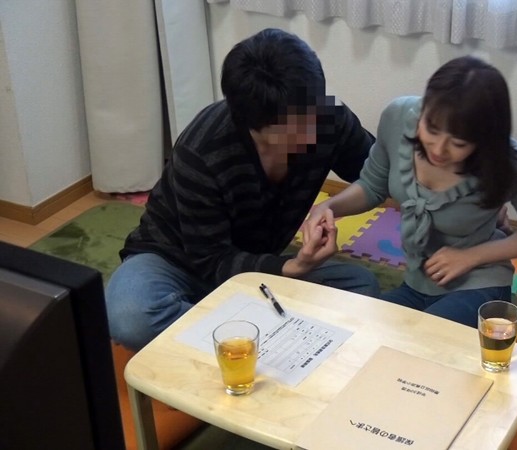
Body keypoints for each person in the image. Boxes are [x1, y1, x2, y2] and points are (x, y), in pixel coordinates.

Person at [305, 55, 517, 410]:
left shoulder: (506, 162)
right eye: (432, 128)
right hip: (416, 283)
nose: (438, 149)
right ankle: (493, 351)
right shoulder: (398, 117)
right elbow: (373, 185)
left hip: (478, 281)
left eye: (458, 142)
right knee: (358, 340)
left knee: (419, 355)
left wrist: (469, 256)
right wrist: (328, 208)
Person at [104, 28, 380, 351]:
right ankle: (263, 336)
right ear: (252, 125)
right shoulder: (203, 152)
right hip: (178, 261)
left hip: (259, 263)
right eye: (294, 128)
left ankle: (238, 333)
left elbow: (378, 172)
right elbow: (212, 260)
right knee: (130, 316)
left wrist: (329, 208)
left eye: (314, 114)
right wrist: (291, 268)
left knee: (363, 288)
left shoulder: (329, 119)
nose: (311, 132)